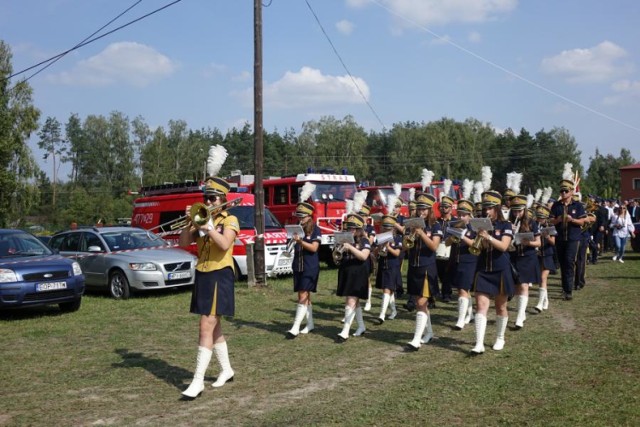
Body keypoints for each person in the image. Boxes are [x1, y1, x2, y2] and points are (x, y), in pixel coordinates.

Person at [179, 177, 240, 399]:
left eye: (212, 198)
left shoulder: (230, 219)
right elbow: (183, 242)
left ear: (222, 199)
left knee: (205, 325)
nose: (208, 201)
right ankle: (226, 369)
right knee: (214, 328)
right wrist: (189, 222)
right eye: (205, 197)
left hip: (219, 274)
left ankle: (197, 381)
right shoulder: (202, 218)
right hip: (203, 273)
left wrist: (208, 227)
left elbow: (224, 244)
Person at [471, 190, 514, 354]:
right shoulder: (481, 224)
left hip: (500, 269)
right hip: (483, 268)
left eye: (489, 207)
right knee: (481, 305)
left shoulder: (506, 225)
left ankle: (500, 337)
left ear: (497, 208)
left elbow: (503, 246)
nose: (486, 211)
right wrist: (479, 238)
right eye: (485, 208)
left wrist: (488, 237)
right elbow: (478, 248)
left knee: (500, 307)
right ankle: (479, 343)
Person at [404, 193, 443, 351]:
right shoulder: (411, 224)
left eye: (425, 209)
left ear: (430, 210)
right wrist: (412, 234)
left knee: (421, 302)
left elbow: (434, 246)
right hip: (413, 266)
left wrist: (421, 234)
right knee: (421, 302)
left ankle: (416, 339)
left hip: (427, 267)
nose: (421, 212)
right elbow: (405, 247)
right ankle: (429, 332)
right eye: (419, 209)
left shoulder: (436, 226)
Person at [286, 201, 321, 338]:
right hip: (298, 265)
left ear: (309, 216)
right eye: (299, 216)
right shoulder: (296, 228)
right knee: (305, 296)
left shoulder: (315, 229)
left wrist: (301, 241)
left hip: (310, 266)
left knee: (303, 295)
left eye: (302, 216)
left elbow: (314, 248)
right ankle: (310, 323)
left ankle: (295, 327)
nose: (300, 219)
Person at [336, 213, 372, 341]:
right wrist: (338, 249)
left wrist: (350, 247)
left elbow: (364, 256)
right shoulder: (346, 240)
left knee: (350, 300)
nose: (351, 231)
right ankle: (361, 326)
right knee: (353, 301)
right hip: (347, 271)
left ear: (360, 229)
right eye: (349, 228)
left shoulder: (364, 240)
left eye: (354, 229)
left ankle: (345, 331)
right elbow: (337, 258)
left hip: (359, 273)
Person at [550, 180, 587, 301]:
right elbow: (550, 221)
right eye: (562, 191)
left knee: (569, 262)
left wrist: (572, 220)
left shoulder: (578, 205)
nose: (563, 193)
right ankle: (565, 286)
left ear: (571, 192)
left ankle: (568, 290)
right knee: (563, 263)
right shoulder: (556, 205)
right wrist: (558, 220)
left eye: (566, 191)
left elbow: (583, 221)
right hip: (560, 238)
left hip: (573, 238)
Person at [508, 195, 541, 330]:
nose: (517, 214)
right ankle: (521, 312)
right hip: (514, 256)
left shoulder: (532, 222)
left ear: (524, 210)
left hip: (527, 256)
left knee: (524, 285)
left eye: (519, 211)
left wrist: (528, 242)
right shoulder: (509, 222)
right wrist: (510, 231)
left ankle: (520, 316)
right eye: (514, 211)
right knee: (516, 287)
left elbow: (539, 242)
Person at [447, 199, 477, 330]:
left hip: (469, 260)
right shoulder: (455, 225)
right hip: (456, 259)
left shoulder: (475, 227)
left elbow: (476, 245)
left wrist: (463, 236)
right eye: (459, 214)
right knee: (462, 289)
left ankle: (460, 319)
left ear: (470, 214)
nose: (460, 217)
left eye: (463, 215)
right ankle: (469, 314)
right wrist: (452, 234)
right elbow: (447, 243)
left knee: (463, 289)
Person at [373, 215, 402, 324]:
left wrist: (388, 246)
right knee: (388, 289)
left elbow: (397, 253)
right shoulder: (380, 237)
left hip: (392, 265)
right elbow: (375, 253)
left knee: (387, 289)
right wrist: (378, 247)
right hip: (383, 264)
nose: (387, 230)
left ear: (393, 228)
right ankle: (394, 311)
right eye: (385, 227)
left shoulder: (398, 238)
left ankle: (381, 315)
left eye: (389, 228)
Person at [534, 204, 556, 312]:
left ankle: (539, 303)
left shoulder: (550, 226)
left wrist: (547, 236)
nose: (539, 219)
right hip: (537, 255)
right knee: (541, 279)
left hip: (547, 254)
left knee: (543, 278)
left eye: (542, 218)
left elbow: (553, 242)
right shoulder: (534, 225)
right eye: (538, 217)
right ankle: (545, 300)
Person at [436, 195, 457, 303]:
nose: (443, 209)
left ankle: (446, 294)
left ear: (451, 208)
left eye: (446, 207)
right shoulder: (436, 221)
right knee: (439, 271)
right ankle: (438, 292)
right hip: (438, 248)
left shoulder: (455, 221)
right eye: (442, 207)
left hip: (451, 248)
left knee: (448, 272)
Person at [358, 203, 376, 311]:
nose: (362, 217)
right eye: (360, 214)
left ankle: (368, 301)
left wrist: (364, 235)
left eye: (364, 215)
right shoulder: (355, 227)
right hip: (356, 255)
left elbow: (370, 241)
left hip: (367, 255)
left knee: (367, 279)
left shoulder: (370, 228)